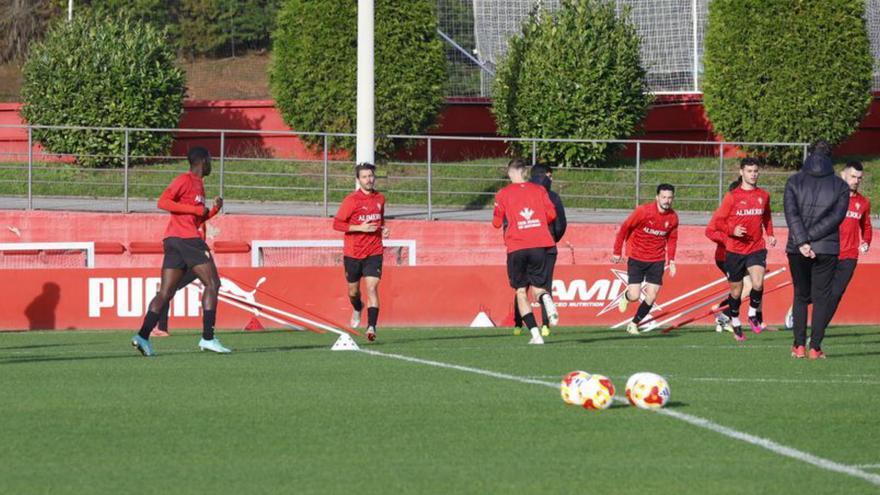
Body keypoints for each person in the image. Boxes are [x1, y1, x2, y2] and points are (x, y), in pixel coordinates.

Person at [131, 147, 228, 356]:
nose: (211, 164)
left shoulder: (199, 185)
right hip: (187, 240)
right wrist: (195, 209)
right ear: (203, 161)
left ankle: (142, 336)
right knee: (213, 284)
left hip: (175, 240)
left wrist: (213, 210)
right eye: (210, 160)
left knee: (166, 292)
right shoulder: (185, 180)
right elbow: (163, 202)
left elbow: (195, 219)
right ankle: (208, 338)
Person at [783, 140, 849, 359]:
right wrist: (809, 239)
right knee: (821, 298)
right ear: (830, 156)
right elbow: (836, 218)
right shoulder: (840, 186)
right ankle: (815, 347)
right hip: (826, 247)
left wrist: (803, 241)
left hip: (797, 247)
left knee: (801, 296)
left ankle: (799, 346)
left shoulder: (793, 181)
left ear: (809, 154)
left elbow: (791, 215)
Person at [493, 158, 558, 345]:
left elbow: (496, 222)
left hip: (517, 246)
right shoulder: (539, 190)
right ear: (525, 172)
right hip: (539, 244)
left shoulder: (503, 193)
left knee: (521, 292)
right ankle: (546, 299)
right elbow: (552, 214)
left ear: (510, 173)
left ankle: (536, 335)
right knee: (538, 288)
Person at [710, 158, 776, 341]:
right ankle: (735, 322)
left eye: (755, 171)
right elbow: (716, 223)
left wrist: (770, 234)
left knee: (758, 284)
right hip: (735, 251)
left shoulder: (763, 195)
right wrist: (732, 230)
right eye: (749, 171)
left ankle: (752, 314)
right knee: (736, 292)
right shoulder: (732, 197)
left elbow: (767, 216)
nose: (753, 174)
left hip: (756, 247)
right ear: (741, 172)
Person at [612, 184, 679, 335]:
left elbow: (672, 239)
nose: (667, 200)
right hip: (637, 257)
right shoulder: (643, 211)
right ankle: (626, 296)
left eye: (669, 198)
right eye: (663, 197)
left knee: (652, 295)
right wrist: (617, 251)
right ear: (657, 197)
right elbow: (624, 228)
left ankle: (634, 324)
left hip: (657, 260)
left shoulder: (673, 217)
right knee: (635, 296)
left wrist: (672, 260)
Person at [333, 163, 389, 342]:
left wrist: (383, 229)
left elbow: (380, 221)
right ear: (358, 180)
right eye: (364, 177)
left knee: (372, 288)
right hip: (353, 253)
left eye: (371, 176)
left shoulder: (380, 198)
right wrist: (360, 228)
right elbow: (337, 224)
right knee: (353, 292)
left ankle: (371, 327)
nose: (369, 179)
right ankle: (358, 307)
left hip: (374, 251)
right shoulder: (351, 200)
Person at [151, 203, 221, 337]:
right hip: (194, 261)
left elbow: (204, 218)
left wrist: (215, 209)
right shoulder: (192, 221)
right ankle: (161, 328)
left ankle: (161, 328)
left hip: (193, 262)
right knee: (211, 286)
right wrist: (215, 209)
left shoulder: (192, 224)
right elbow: (205, 217)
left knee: (164, 291)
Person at [513, 163, 567, 338]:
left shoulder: (519, 193)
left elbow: (509, 220)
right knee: (544, 286)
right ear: (544, 175)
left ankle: (518, 324)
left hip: (521, 244)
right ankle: (545, 326)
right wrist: (553, 238)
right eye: (550, 176)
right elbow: (560, 223)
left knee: (521, 287)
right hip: (547, 246)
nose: (551, 179)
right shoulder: (552, 196)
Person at [826, 161, 872, 322]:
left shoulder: (863, 202)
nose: (856, 181)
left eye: (859, 178)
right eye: (853, 176)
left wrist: (866, 241)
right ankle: (799, 305)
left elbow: (866, 226)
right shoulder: (831, 197)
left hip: (849, 256)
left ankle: (819, 330)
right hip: (828, 251)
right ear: (843, 175)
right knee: (820, 290)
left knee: (836, 293)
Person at [704, 179, 743, 333]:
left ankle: (722, 312)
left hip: (742, 255)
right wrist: (728, 239)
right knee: (741, 288)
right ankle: (723, 314)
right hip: (725, 257)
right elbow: (709, 231)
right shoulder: (723, 212)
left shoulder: (748, 211)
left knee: (749, 286)